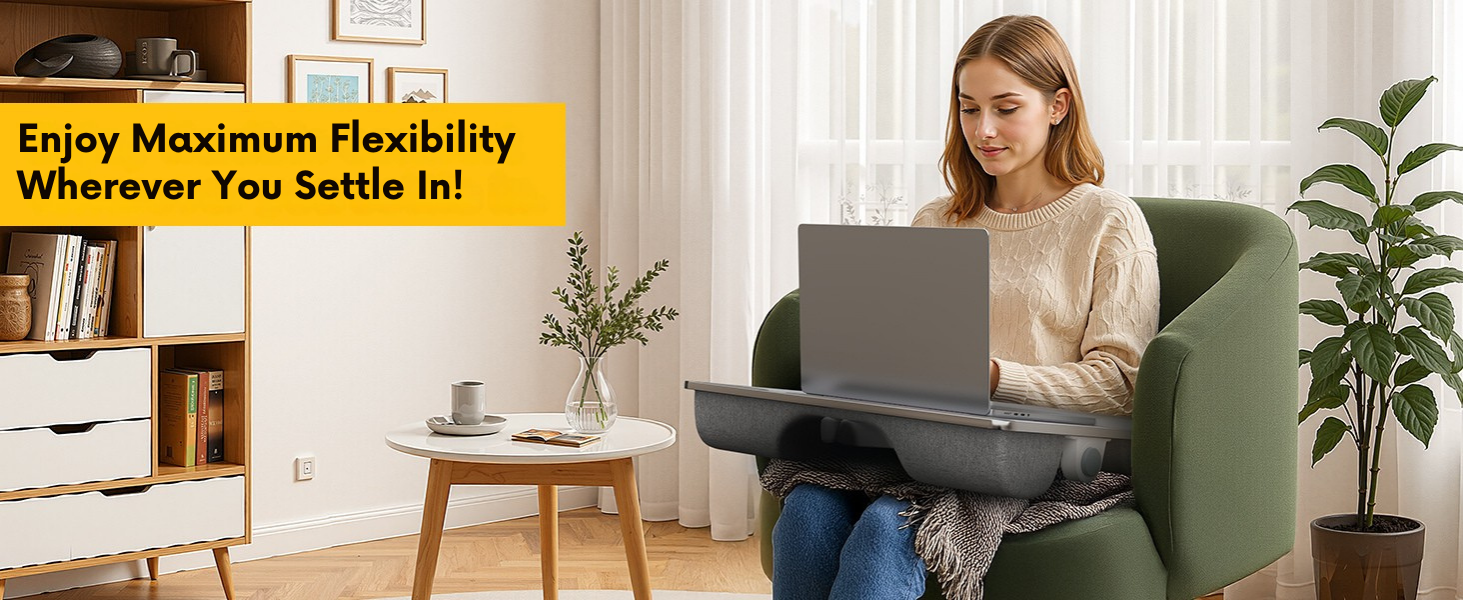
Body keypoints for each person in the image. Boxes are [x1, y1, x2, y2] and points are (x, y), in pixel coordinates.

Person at [769, 15, 1161, 600]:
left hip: (1037, 454)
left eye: (1006, 108)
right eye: (968, 108)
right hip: (917, 444)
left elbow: (1122, 383)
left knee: (887, 528)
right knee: (805, 511)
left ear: (1057, 106)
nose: (984, 129)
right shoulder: (937, 218)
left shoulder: (1107, 221)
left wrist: (997, 377)